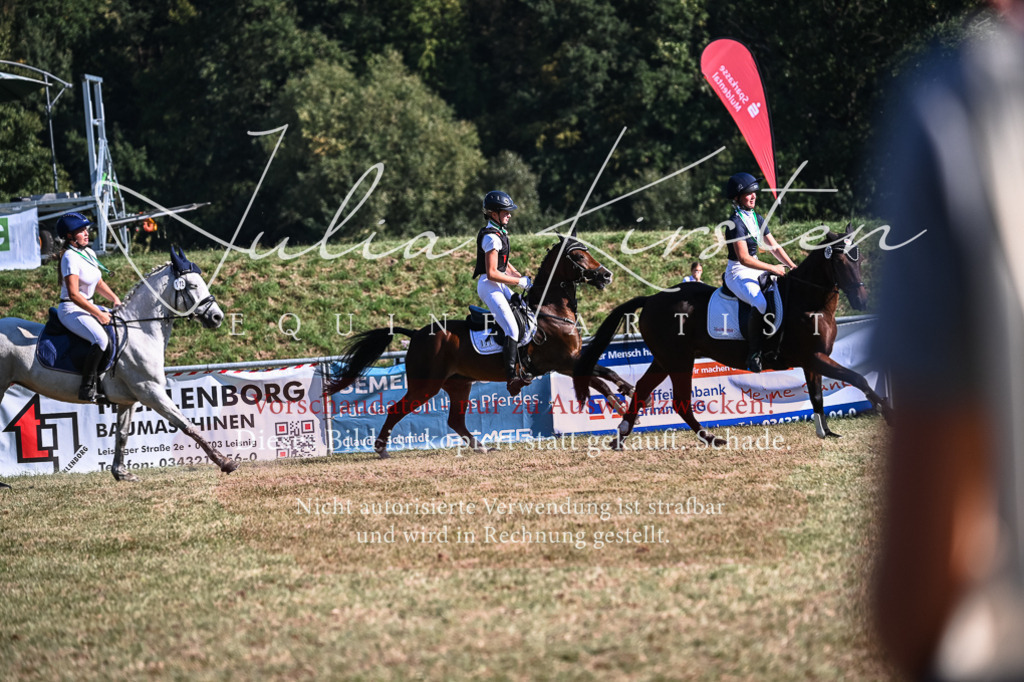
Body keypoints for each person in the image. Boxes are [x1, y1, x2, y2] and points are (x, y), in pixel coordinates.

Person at [872, 2, 1024, 680]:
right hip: (735, 269)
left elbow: (914, 604)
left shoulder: (967, 97)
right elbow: (490, 274)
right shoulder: (739, 219)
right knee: (748, 293)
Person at [722, 172, 797, 372]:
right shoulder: (734, 223)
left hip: (755, 267)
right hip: (738, 272)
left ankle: (778, 344)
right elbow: (744, 258)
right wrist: (773, 268)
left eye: (755, 192)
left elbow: (774, 247)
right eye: (748, 193)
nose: (753, 196)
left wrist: (792, 266)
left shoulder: (757, 218)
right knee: (760, 302)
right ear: (737, 197)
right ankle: (754, 354)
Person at [472, 191, 532, 396]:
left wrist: (519, 276)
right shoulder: (491, 237)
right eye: (506, 211)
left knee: (522, 306)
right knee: (512, 329)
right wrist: (518, 281)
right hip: (489, 285)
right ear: (493, 213)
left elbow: (503, 263)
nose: (510, 215)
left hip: (496, 283)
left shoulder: (499, 233)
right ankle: (511, 378)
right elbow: (492, 272)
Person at [55, 212, 121, 401]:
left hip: (88, 306)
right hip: (71, 310)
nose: (86, 233)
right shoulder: (69, 257)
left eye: (86, 229)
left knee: (120, 325)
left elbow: (98, 282)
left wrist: (115, 298)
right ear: (69, 236)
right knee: (101, 339)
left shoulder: (88, 253)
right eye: (81, 230)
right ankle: (87, 387)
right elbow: (74, 294)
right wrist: (98, 314)